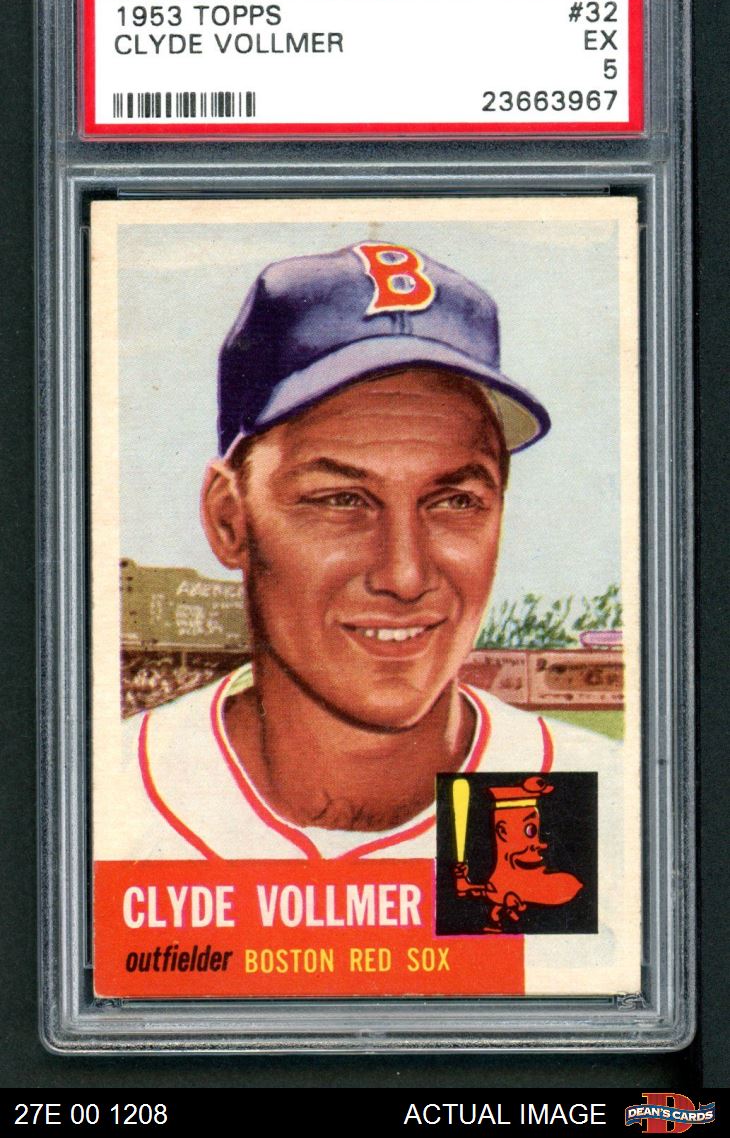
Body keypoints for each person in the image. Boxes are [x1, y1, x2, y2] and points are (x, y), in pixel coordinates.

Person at [117, 241, 620, 861]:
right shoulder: (106, 800)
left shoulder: (597, 803)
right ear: (229, 520)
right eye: (341, 500)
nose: (404, 575)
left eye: (454, 502)